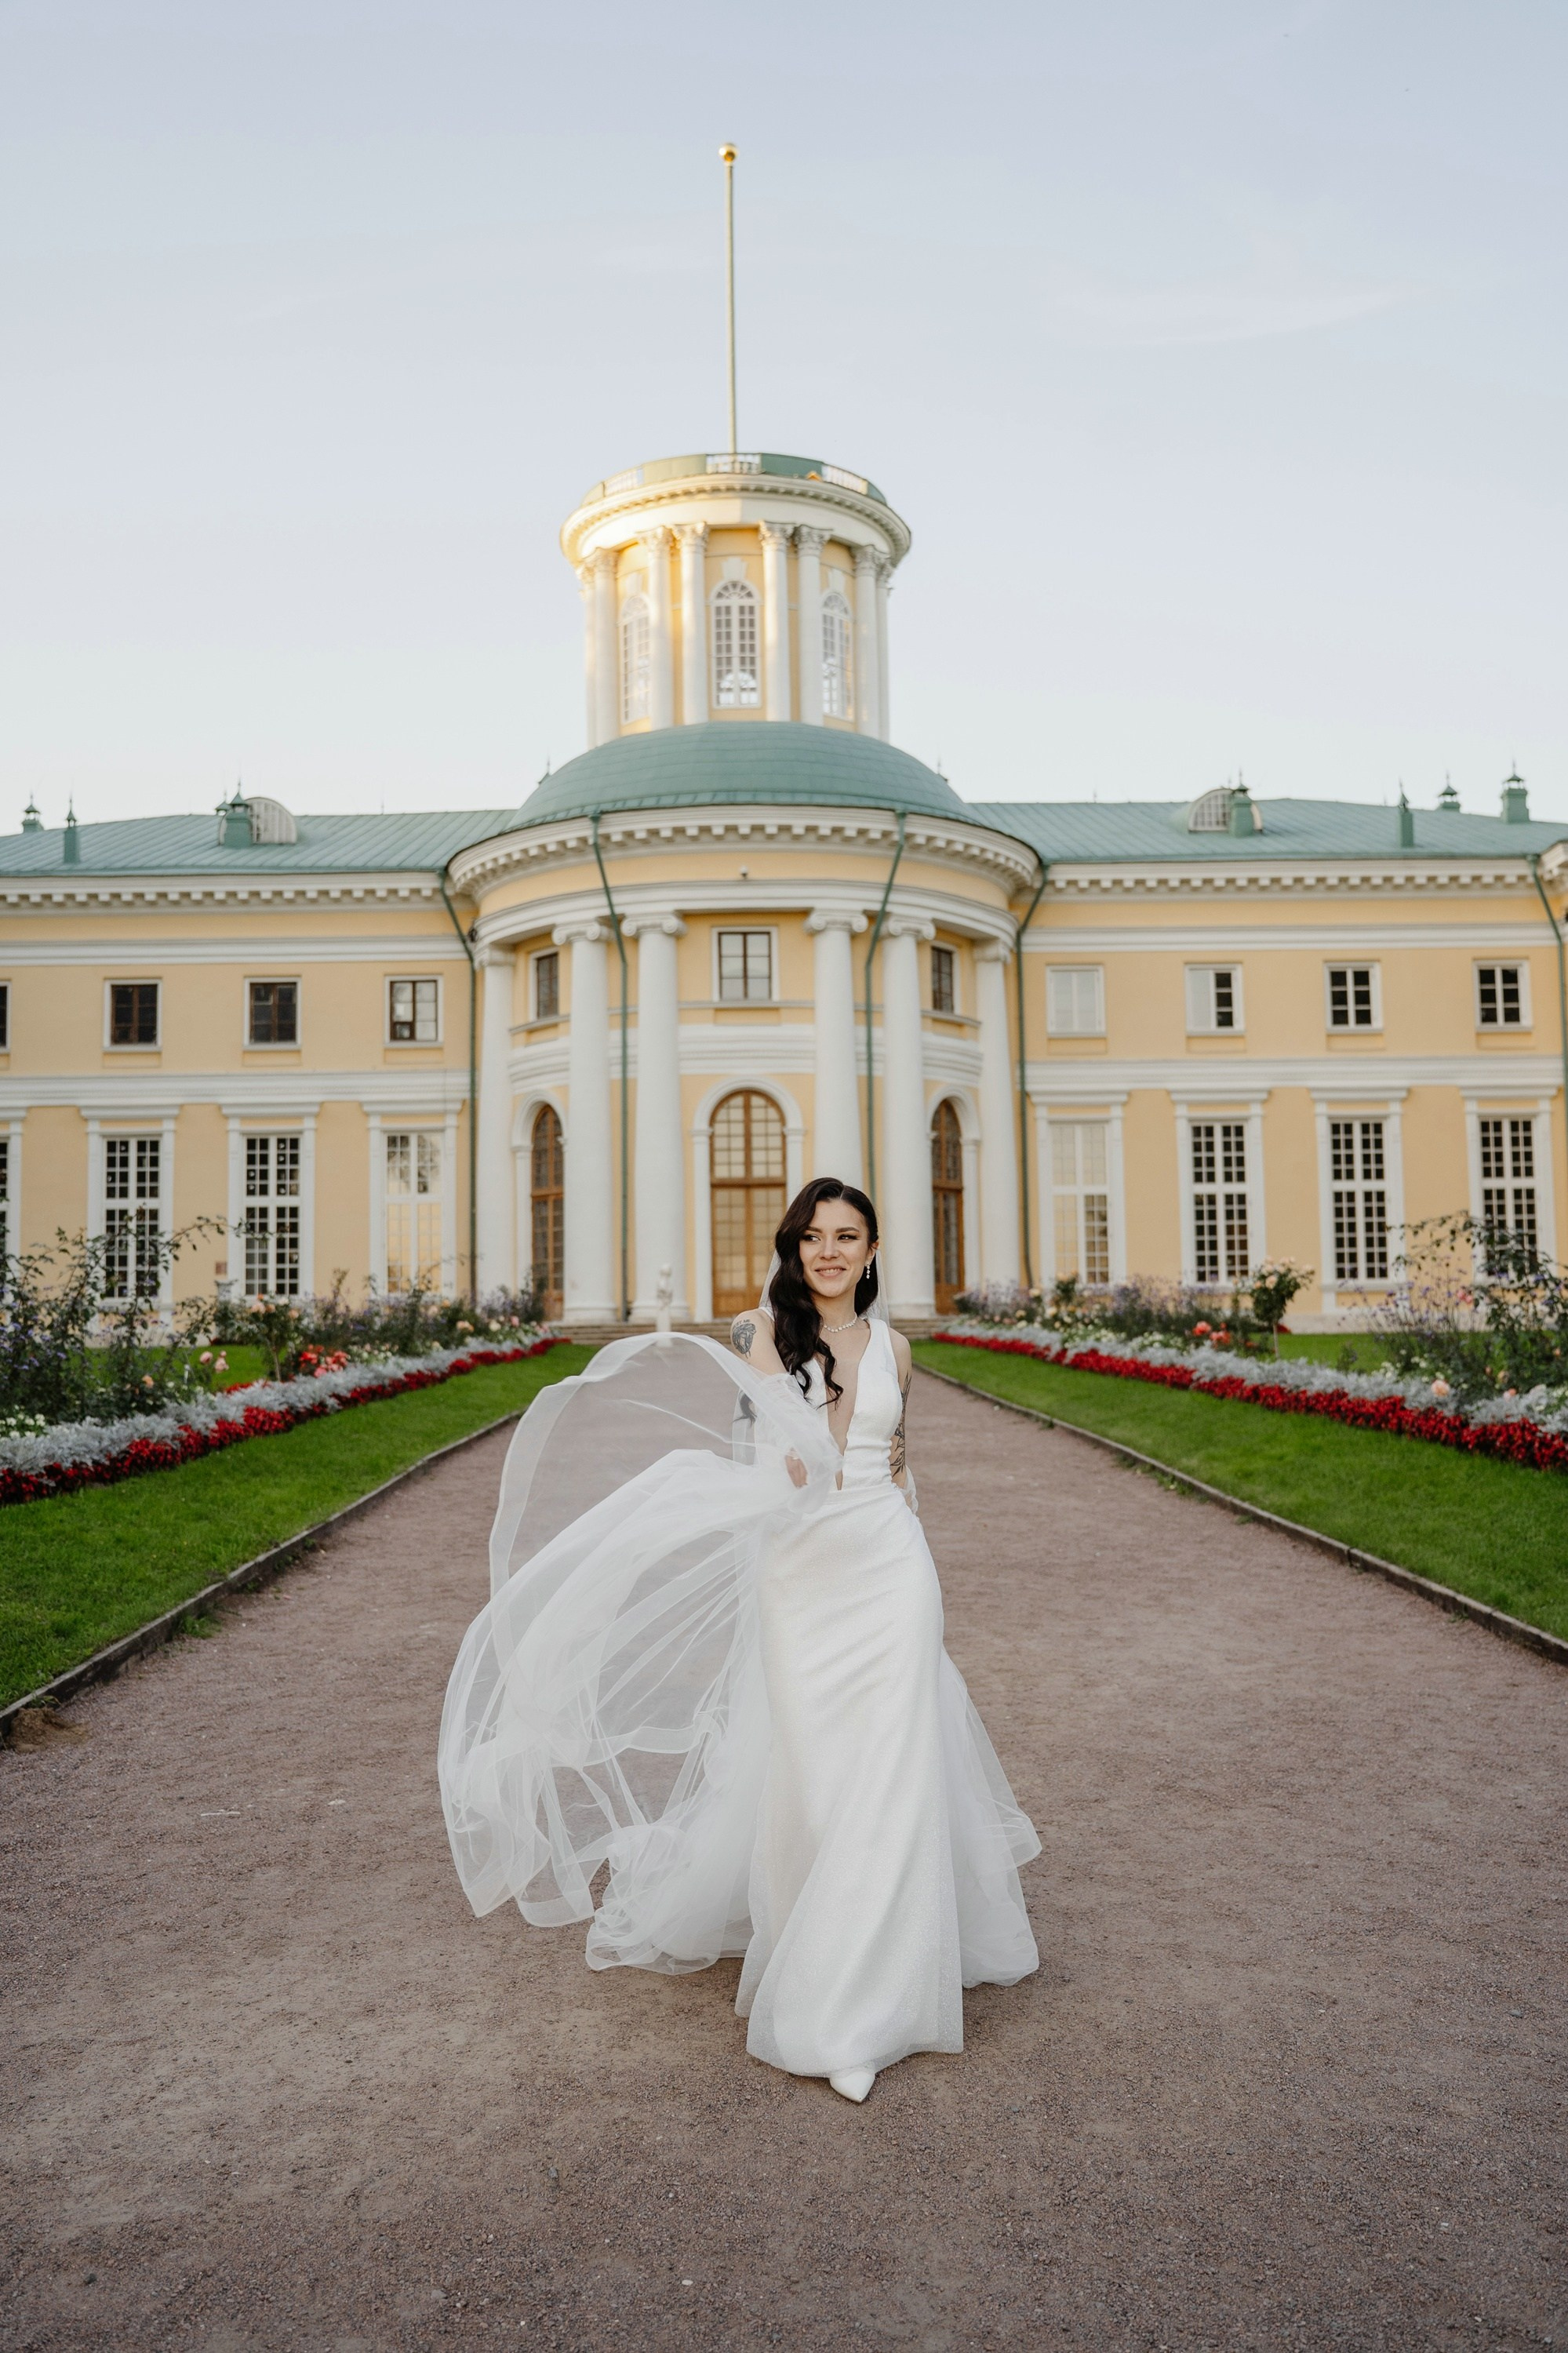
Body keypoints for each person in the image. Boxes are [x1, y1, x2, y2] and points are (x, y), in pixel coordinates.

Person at [438, 1176, 1039, 2104]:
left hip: (889, 1567)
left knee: (892, 1768)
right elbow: (776, 1449)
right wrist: (788, 1455)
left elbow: (896, 1462)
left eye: (848, 1237)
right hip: (800, 1573)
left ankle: (862, 2008)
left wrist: (907, 1551)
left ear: (873, 1251)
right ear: (793, 1249)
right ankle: (820, 1946)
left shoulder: (899, 1348)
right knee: (813, 1774)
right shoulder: (758, 1334)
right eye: (813, 1237)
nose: (830, 1252)